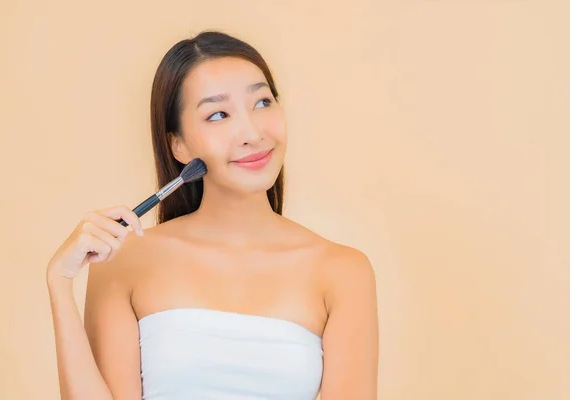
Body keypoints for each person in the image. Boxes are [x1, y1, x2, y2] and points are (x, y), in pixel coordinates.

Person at [46, 30, 379, 400]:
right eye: (218, 114)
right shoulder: (124, 257)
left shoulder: (343, 270)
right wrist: (60, 283)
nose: (251, 132)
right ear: (179, 145)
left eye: (263, 102)